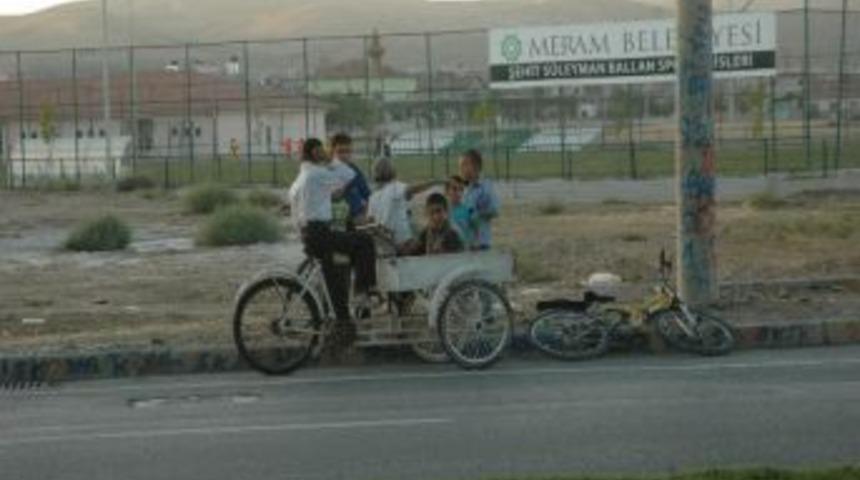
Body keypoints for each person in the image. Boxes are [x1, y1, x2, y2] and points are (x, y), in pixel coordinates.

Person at [288, 138, 377, 348]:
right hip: (320, 233)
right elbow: (349, 175)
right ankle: (363, 292)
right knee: (364, 241)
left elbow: (330, 193)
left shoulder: (303, 176)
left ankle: (342, 322)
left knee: (333, 277)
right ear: (316, 152)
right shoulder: (317, 174)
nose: (327, 153)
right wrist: (330, 159)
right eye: (322, 150)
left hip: (310, 235)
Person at [366, 157, 442, 253]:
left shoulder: (373, 197)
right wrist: (434, 182)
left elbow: (370, 223)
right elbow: (414, 189)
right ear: (392, 171)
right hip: (403, 243)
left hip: (384, 246)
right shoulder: (396, 187)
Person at [327, 133, 371, 229]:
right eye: (340, 152)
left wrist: (364, 215)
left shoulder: (354, 170)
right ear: (332, 152)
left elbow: (368, 195)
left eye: (348, 151)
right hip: (334, 222)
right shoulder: (325, 171)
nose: (344, 155)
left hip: (355, 221)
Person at [459, 149, 499, 250]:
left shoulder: (485, 187)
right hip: (464, 242)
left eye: (464, 165)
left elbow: (494, 210)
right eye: (460, 166)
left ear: (476, 166)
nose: (461, 169)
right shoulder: (462, 188)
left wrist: (475, 212)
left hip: (480, 242)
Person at [445, 175, 473, 247]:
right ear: (447, 191)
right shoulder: (441, 210)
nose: (458, 193)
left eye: (461, 189)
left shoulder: (468, 210)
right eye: (454, 189)